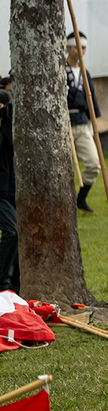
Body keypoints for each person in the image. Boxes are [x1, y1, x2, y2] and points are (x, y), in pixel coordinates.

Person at [65, 31, 101, 214]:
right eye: (77, 46)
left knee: (94, 164)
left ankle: (81, 198)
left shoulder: (85, 73)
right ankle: (64, 203)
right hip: (63, 125)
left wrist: (94, 121)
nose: (80, 50)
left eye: (84, 47)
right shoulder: (60, 70)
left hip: (81, 123)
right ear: (67, 47)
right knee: (64, 169)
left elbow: (91, 99)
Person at [0, 76, 17, 293]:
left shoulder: (10, 127)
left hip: (10, 190)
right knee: (12, 231)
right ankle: (3, 280)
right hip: (1, 193)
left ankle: (13, 283)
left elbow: (13, 143)